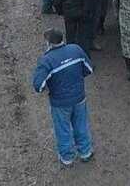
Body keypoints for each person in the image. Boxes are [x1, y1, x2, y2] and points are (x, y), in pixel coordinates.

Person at [31, 28, 95, 167]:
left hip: (60, 103)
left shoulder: (46, 60)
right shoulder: (76, 49)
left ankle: (67, 158)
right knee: (81, 124)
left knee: (63, 129)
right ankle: (85, 152)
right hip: (79, 97)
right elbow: (89, 69)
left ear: (49, 43)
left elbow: (38, 86)